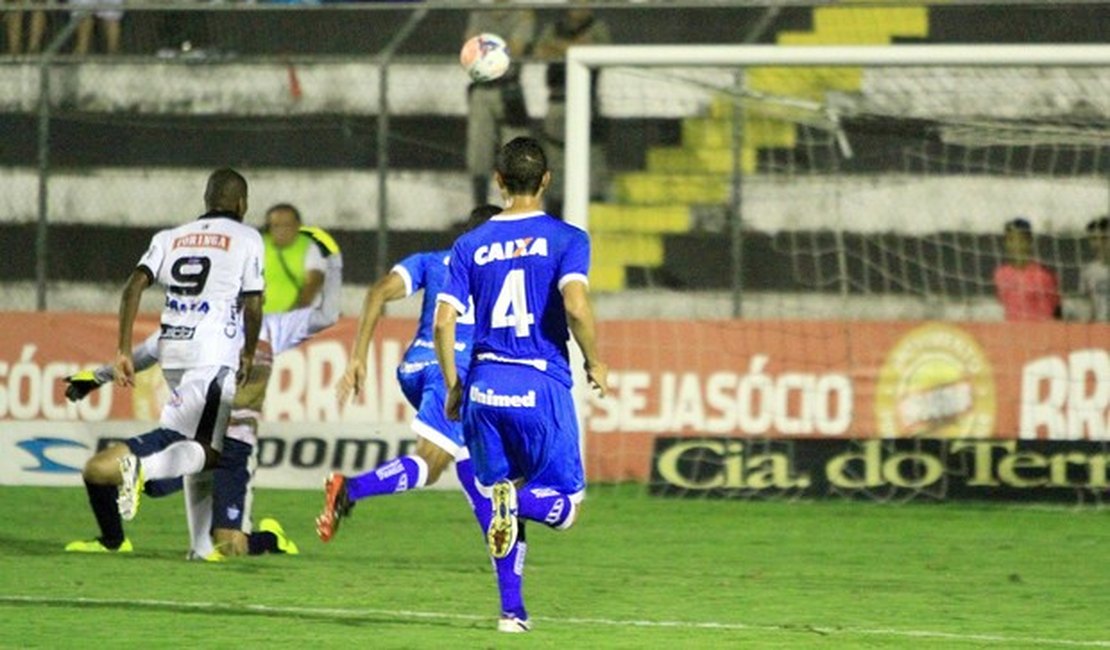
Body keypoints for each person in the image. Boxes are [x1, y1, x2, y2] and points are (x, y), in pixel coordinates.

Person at [64, 224, 343, 560]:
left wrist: (334, 260)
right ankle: (113, 540)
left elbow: (328, 314)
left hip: (235, 444)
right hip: (188, 432)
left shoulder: (275, 327)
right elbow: (142, 355)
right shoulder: (200, 324)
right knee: (106, 471)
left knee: (230, 548)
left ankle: (270, 538)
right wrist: (96, 378)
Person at [433, 137, 608, 633]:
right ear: (547, 180)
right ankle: (517, 506)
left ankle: (512, 612)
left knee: (499, 500)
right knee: (566, 507)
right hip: (539, 383)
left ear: (499, 182)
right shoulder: (568, 238)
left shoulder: (470, 244)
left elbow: (444, 323)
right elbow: (575, 306)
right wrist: (595, 361)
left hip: (484, 386)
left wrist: (453, 385)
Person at [64, 168, 264, 554]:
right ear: (242, 204)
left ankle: (196, 549)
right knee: (209, 450)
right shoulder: (247, 238)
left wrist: (112, 360)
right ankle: (143, 470)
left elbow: (134, 286)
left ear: (206, 201)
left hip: (175, 347)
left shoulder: (169, 238)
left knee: (197, 447)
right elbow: (254, 302)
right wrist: (249, 349)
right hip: (210, 359)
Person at [316, 205, 502, 543]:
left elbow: (377, 293)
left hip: (414, 368)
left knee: (466, 452)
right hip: (454, 375)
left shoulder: (430, 261)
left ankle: (498, 544)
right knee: (429, 465)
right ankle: (351, 488)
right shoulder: (502, 272)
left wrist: (358, 359)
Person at [532, 3, 611, 216]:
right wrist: (574, 47)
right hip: (557, 101)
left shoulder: (597, 28)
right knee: (555, 159)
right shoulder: (553, 27)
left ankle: (596, 214)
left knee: (591, 157)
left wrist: (559, 48)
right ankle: (555, 216)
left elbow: (597, 52)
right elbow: (540, 52)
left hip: (587, 104)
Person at [464, 0, 535, 208]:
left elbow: (518, 48)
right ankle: (480, 209)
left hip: (508, 88)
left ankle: (518, 209)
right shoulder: (480, 12)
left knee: (516, 153)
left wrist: (485, 48)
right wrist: (500, 48)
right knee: (479, 152)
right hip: (482, 88)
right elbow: (470, 50)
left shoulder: (522, 12)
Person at [263, 203, 327, 315]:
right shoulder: (258, 245)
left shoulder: (310, 247)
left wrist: (292, 316)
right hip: (261, 320)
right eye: (276, 225)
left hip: (298, 320)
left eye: (287, 225)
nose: (282, 230)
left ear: (298, 225)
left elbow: (313, 283)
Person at [993, 217, 1061, 321]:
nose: (1016, 245)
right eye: (1011, 240)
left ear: (1030, 242)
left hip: (1039, 332)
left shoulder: (1044, 275)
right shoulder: (1000, 274)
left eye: (1021, 240)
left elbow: (1056, 311)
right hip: (1012, 333)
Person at [1080, 216, 1109, 322]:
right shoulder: (1088, 271)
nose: (1098, 243)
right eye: (1094, 239)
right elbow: (1088, 305)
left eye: (1104, 238)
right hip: (1101, 331)